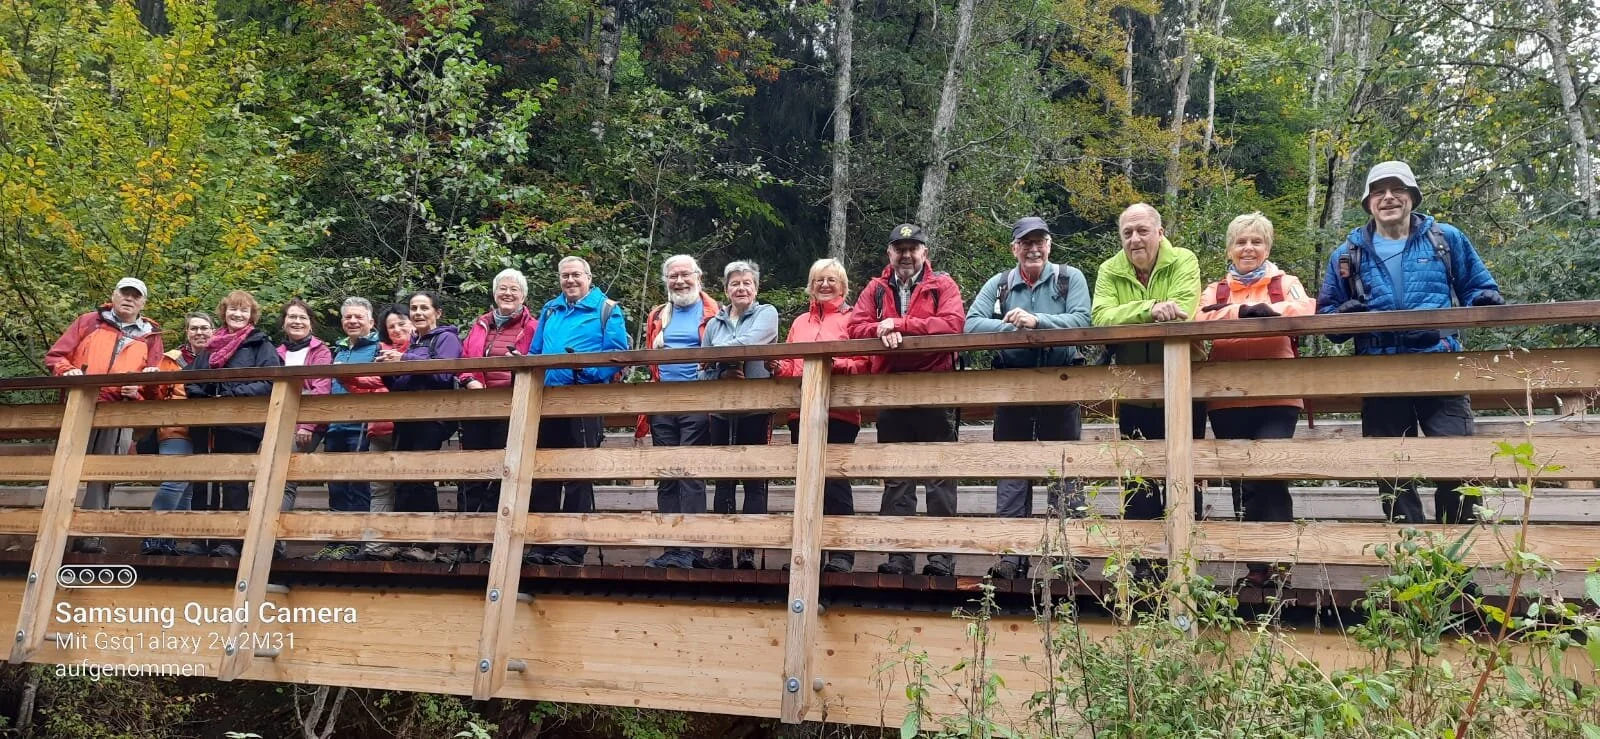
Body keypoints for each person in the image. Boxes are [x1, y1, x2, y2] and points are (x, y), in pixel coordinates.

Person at [1317, 160, 1504, 524]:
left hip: (1440, 366)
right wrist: (1345, 316)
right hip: (1379, 371)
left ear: (1412, 196)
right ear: (1368, 202)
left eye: (1397, 189)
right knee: (1393, 471)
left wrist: (1479, 302)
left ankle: (1455, 570)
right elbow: (1328, 323)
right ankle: (1410, 563)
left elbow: (1480, 288)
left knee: (1457, 464)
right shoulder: (1346, 253)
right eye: (1378, 191)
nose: (1388, 198)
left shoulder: (1445, 238)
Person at [964, 217, 1092, 580]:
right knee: (1012, 470)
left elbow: (1083, 320)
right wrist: (1013, 326)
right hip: (1013, 386)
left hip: (1061, 383)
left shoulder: (1070, 278)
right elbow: (971, 324)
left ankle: (1069, 557)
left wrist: (1038, 321)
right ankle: (1010, 555)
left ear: (1049, 244)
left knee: (1064, 471)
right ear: (1014, 249)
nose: (1033, 248)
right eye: (1025, 242)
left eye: (1040, 241)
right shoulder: (1000, 284)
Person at [1196, 212, 1316, 587]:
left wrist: (1269, 310)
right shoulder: (1215, 290)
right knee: (1241, 479)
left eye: (1256, 241)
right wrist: (1244, 312)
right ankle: (1255, 568)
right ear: (1229, 248)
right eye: (1241, 242)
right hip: (1226, 397)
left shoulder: (1286, 283)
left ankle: (1280, 565)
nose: (1248, 248)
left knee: (1271, 476)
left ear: (1268, 246)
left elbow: (1307, 310)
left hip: (1277, 394)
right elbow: (1198, 321)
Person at [846, 224, 966, 577]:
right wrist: (882, 328)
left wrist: (901, 323)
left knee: (938, 476)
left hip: (935, 387)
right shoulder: (876, 288)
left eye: (914, 248)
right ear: (890, 254)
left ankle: (941, 559)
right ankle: (898, 557)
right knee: (896, 477)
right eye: (900, 248)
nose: (907, 254)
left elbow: (952, 324)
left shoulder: (942, 285)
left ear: (925, 253)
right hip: (891, 390)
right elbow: (855, 327)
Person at [1090, 203, 1205, 539]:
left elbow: (1183, 307)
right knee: (1137, 478)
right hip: (1135, 390)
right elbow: (1101, 316)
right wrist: (1151, 309)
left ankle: (1185, 557)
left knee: (1186, 477)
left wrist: (1135, 312)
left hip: (1185, 388)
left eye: (1142, 231)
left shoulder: (1184, 259)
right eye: (1127, 233)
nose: (1135, 239)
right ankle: (1143, 568)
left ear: (1160, 232)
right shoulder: (1110, 269)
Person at [45, 276, 165, 554]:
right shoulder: (88, 322)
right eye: (125, 293)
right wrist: (68, 371)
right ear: (114, 295)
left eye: (136, 296)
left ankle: (89, 534)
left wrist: (139, 388)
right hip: (80, 405)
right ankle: (53, 532)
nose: (129, 299)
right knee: (65, 469)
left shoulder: (151, 335)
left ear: (143, 303)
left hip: (119, 411)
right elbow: (55, 356)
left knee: (103, 474)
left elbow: (155, 381)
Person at [525, 256, 630, 566]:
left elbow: (617, 357)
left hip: (584, 401)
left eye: (575, 275)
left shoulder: (607, 309)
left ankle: (572, 547)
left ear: (588, 277)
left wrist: (584, 370)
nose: (570, 281)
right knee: (543, 473)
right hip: (547, 401)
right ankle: (542, 542)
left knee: (577, 476)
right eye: (564, 276)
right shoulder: (550, 309)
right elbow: (535, 352)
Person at [772, 258, 869, 573]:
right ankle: (805, 551)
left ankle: (840, 554)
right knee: (806, 483)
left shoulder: (854, 318)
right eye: (819, 280)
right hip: (799, 411)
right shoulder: (800, 322)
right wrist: (779, 367)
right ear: (811, 286)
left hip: (839, 411)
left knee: (834, 482)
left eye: (831, 280)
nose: (825, 285)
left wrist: (833, 363)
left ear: (842, 286)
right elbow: (791, 364)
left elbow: (864, 362)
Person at [186, 290, 283, 558]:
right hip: (208, 423)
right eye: (232, 309)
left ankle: (230, 540)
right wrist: (200, 394)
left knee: (234, 482)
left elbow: (269, 380)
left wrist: (231, 395)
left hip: (241, 422)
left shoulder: (260, 345)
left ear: (251, 315)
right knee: (203, 480)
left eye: (243, 310)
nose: (237, 314)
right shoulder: (213, 343)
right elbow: (192, 377)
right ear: (224, 312)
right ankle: (200, 538)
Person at [640, 254, 719, 568]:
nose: (680, 281)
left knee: (690, 475)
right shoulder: (659, 314)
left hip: (698, 402)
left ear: (698, 276)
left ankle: (691, 548)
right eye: (673, 277)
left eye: (685, 275)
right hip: (662, 403)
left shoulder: (714, 312)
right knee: (667, 476)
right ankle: (672, 548)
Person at [699, 261, 778, 570]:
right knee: (723, 480)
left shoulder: (766, 313)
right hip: (720, 410)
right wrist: (721, 369)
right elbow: (701, 368)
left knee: (754, 481)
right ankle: (721, 549)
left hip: (755, 408)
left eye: (747, 283)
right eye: (735, 284)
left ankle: (747, 549)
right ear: (726, 289)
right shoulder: (714, 324)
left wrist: (719, 357)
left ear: (755, 288)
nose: (741, 288)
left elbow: (752, 342)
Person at [378, 291, 463, 562]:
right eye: (414, 308)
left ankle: (427, 544)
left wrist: (403, 361)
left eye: (424, 308)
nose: (418, 313)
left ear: (437, 312)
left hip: (433, 416)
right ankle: (404, 540)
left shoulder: (446, 338)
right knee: (403, 479)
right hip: (407, 416)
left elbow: (443, 373)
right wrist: (387, 370)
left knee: (421, 479)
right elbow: (402, 383)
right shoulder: (414, 343)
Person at [308, 298, 393, 561]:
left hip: (361, 424)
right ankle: (337, 541)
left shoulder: (379, 347)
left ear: (370, 320)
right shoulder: (340, 349)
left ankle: (355, 543)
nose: (353, 321)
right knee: (337, 486)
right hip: (336, 425)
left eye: (358, 317)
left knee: (358, 485)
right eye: (348, 317)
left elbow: (379, 381)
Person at [456, 269, 537, 526]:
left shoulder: (532, 326)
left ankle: (494, 534)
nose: (508, 293)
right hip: (478, 406)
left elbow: (536, 361)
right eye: (503, 288)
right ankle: (466, 539)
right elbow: (466, 359)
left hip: (514, 407)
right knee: (472, 471)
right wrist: (470, 381)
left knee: (504, 471)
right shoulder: (480, 324)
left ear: (523, 296)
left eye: (514, 289)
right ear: (494, 293)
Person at [138, 312, 212, 556]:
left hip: (205, 430)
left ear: (213, 331)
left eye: (204, 328)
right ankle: (153, 537)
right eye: (194, 328)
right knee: (174, 482)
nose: (199, 332)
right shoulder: (170, 359)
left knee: (187, 488)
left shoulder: (219, 357)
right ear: (187, 332)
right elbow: (155, 393)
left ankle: (169, 542)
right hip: (174, 427)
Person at [277, 299, 332, 515]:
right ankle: (273, 543)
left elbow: (321, 388)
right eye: (292, 317)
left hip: (306, 424)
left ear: (310, 323)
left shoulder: (321, 351)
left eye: (302, 317)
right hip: (278, 421)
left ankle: (273, 540)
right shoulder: (277, 352)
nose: (297, 321)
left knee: (284, 477)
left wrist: (307, 426)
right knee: (269, 476)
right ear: (284, 323)